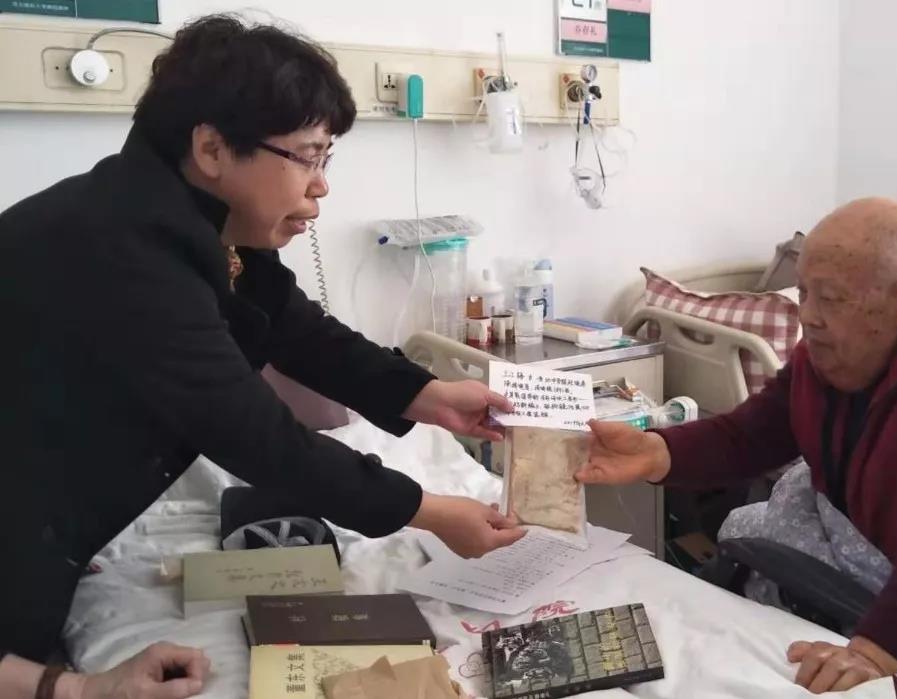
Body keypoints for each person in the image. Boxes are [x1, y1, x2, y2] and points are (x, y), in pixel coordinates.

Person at [0, 15, 522, 698]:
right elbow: (259, 437)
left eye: (327, 158)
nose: (321, 186)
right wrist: (429, 509)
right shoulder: (121, 253)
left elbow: (294, 326)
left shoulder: (188, 220)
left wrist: (427, 395)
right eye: (308, 156)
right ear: (212, 148)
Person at [577, 198, 897, 693]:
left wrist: (876, 652)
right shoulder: (836, 346)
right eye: (804, 293)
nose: (808, 317)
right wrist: (658, 452)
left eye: (831, 298)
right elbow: (753, 433)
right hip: (853, 545)